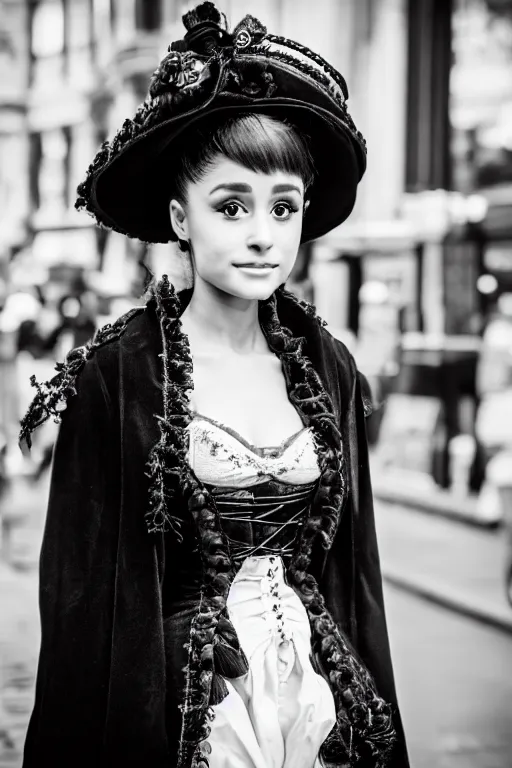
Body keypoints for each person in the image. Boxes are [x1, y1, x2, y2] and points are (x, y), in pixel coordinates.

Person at [19, 4, 410, 767]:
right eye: (232, 205)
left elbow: (353, 577)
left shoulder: (327, 367)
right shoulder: (120, 374)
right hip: (179, 710)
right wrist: (163, 647)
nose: (263, 233)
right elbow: (79, 599)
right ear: (181, 217)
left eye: (284, 207)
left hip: (316, 699)